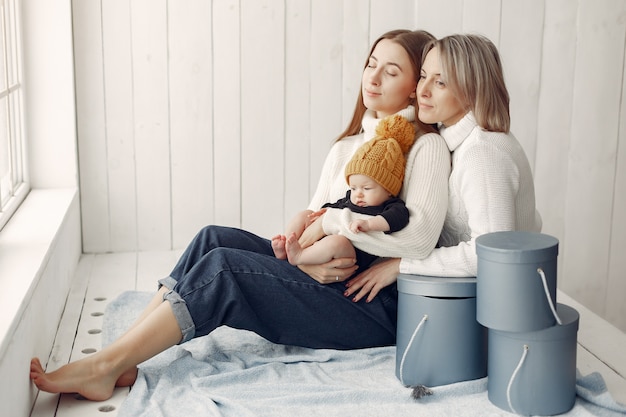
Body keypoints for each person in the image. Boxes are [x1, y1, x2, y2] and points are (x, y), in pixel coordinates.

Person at [29, 29, 451, 401]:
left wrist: (327, 227)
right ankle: (120, 358)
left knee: (224, 271)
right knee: (212, 238)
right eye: (371, 64)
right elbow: (315, 215)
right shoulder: (348, 145)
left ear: (416, 89)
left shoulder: (423, 147)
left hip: (370, 302)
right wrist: (300, 237)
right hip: (325, 271)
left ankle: (101, 368)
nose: (372, 78)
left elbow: (417, 239)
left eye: (391, 71)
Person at [344, 33, 542, 304]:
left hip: (499, 308)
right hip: (462, 297)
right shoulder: (454, 143)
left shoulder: (482, 152)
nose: (422, 91)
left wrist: (401, 265)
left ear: (472, 89)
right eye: (423, 76)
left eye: (440, 82)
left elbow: (491, 255)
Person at [272, 114, 415, 271]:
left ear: (388, 190)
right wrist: (324, 212)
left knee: (337, 242)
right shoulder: (351, 199)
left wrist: (369, 224)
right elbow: (332, 208)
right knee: (305, 214)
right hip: (323, 242)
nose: (358, 194)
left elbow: (396, 219)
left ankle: (299, 256)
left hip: (350, 254)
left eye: (366, 188)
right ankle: (287, 246)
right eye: (353, 188)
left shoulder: (392, 206)